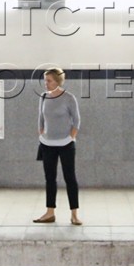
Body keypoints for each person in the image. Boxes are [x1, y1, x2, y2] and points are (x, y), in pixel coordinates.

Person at [33, 67, 82, 225]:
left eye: (49, 80)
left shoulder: (69, 98)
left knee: (70, 178)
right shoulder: (43, 97)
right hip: (47, 144)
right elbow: (41, 118)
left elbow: (76, 120)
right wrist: (42, 134)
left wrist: (71, 136)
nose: (46, 83)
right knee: (50, 179)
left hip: (66, 144)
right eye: (45, 80)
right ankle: (50, 212)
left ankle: (74, 214)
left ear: (57, 81)